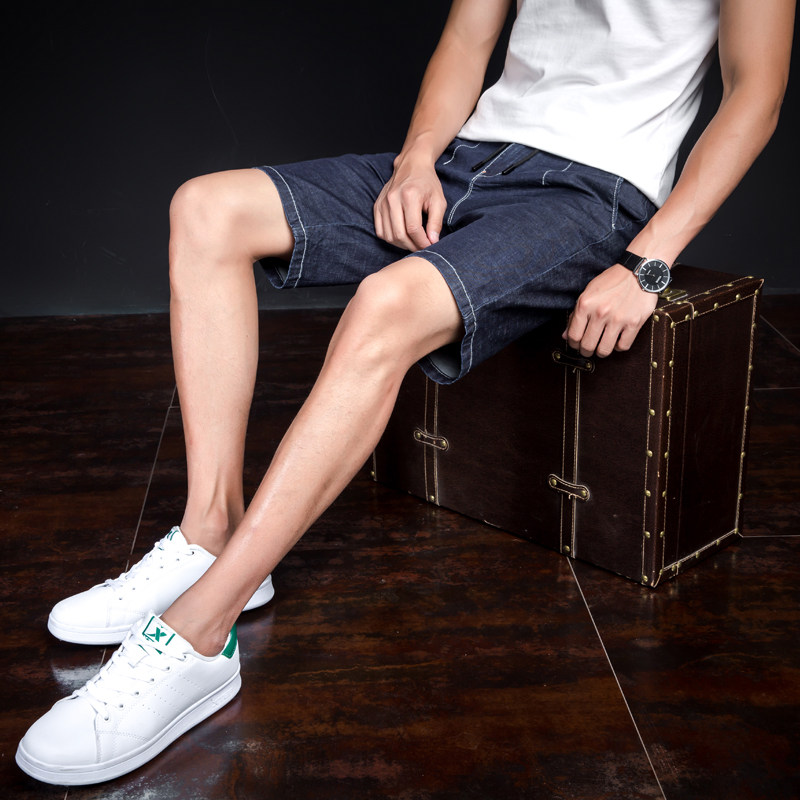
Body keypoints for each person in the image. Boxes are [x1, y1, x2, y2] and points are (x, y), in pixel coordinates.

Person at [16, 0, 794, 786]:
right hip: (472, 159)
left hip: (594, 195)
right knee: (205, 209)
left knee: (384, 303)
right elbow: (467, 34)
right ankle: (208, 530)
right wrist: (418, 157)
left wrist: (648, 262)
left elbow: (755, 92)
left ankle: (199, 633)